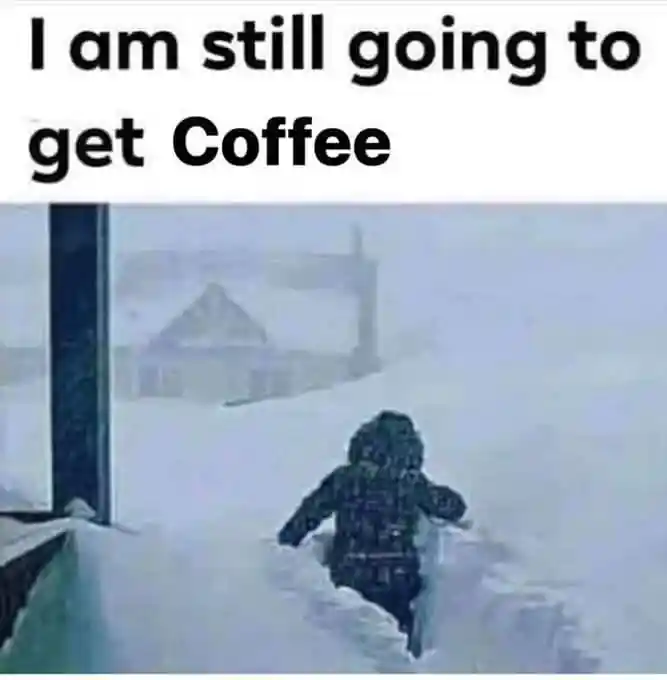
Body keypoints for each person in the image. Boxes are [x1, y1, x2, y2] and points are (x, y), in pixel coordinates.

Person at [277, 410, 468, 653]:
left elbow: (307, 516)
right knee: (396, 644)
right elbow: (454, 508)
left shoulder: (345, 478)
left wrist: (282, 548)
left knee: (348, 646)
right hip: (399, 577)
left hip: (351, 572)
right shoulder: (411, 483)